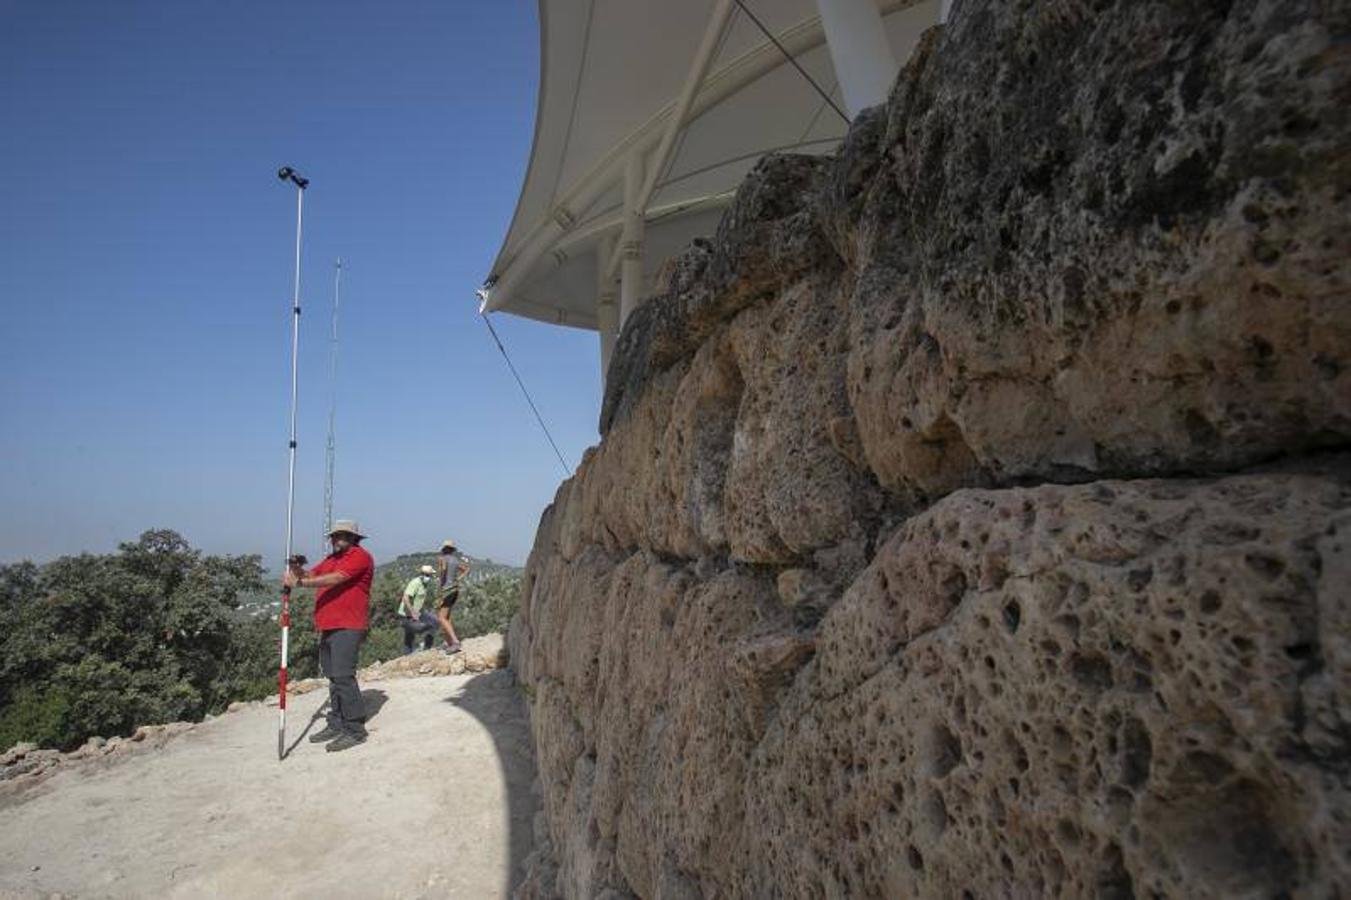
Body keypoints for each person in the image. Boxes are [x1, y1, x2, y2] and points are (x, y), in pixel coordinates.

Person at [283, 519, 374, 753]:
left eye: (342, 535)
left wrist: (301, 582)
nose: (337, 539)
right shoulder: (331, 559)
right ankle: (336, 722)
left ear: (354, 537)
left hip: (348, 625)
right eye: (334, 535)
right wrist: (296, 569)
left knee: (344, 676)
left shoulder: (359, 556)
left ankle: (355, 729)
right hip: (329, 626)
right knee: (334, 677)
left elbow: (335, 579)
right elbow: (312, 573)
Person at [435, 539, 470, 655]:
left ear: (444, 549)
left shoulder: (442, 559)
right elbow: (466, 569)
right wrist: (458, 579)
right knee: (447, 617)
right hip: (455, 590)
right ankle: (448, 641)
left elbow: (443, 572)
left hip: (446, 590)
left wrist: (440, 588)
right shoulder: (455, 560)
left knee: (441, 618)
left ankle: (455, 642)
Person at [398, 565, 439, 654]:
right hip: (406, 614)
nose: (428, 577)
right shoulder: (415, 583)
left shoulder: (425, 584)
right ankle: (408, 653)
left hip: (419, 611)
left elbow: (419, 599)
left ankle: (427, 647)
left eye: (429, 575)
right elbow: (406, 598)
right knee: (414, 631)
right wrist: (412, 613)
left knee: (435, 621)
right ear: (421, 574)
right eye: (427, 575)